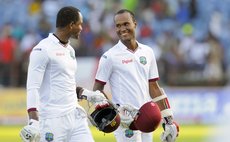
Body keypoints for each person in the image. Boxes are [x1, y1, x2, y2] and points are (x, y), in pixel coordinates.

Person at [19, 6, 108, 142]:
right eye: (80, 24)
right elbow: (33, 87)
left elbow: (66, 84)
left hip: (75, 116)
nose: (82, 28)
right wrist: (33, 120)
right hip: (52, 120)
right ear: (71, 25)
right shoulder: (42, 49)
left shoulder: (70, 50)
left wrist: (89, 95)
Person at [93, 9, 179, 142]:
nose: (122, 29)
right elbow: (97, 90)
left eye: (126, 24)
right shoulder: (109, 56)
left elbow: (154, 87)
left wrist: (168, 120)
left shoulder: (148, 52)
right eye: (118, 26)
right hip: (126, 123)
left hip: (147, 120)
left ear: (135, 24)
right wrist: (114, 112)